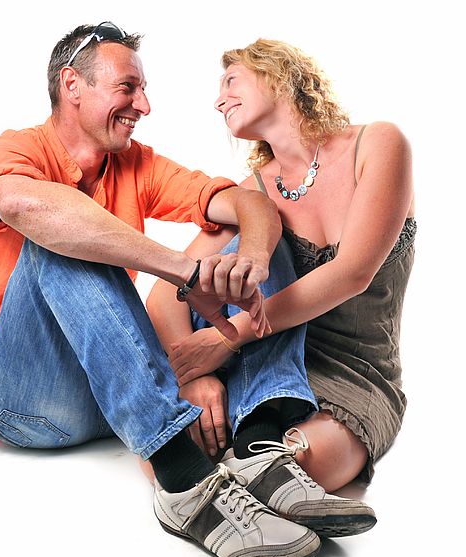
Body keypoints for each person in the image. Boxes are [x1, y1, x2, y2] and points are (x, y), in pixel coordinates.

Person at [0, 23, 332, 557]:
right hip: (23, 402)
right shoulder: (12, 149)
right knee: (61, 237)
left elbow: (248, 203)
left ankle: (260, 442)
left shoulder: (138, 163)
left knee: (257, 238)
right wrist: (188, 274)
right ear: (73, 85)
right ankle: (182, 480)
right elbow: (25, 206)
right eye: (128, 87)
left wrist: (247, 264)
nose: (145, 105)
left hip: (108, 398)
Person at [146, 38, 415, 501]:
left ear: (277, 73)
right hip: (265, 364)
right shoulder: (254, 194)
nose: (218, 99)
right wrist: (196, 374)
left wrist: (223, 336)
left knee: (301, 468)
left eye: (231, 80)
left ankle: (243, 475)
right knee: (246, 246)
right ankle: (219, 463)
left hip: (354, 370)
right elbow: (165, 294)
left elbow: (352, 273)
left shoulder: (377, 143)